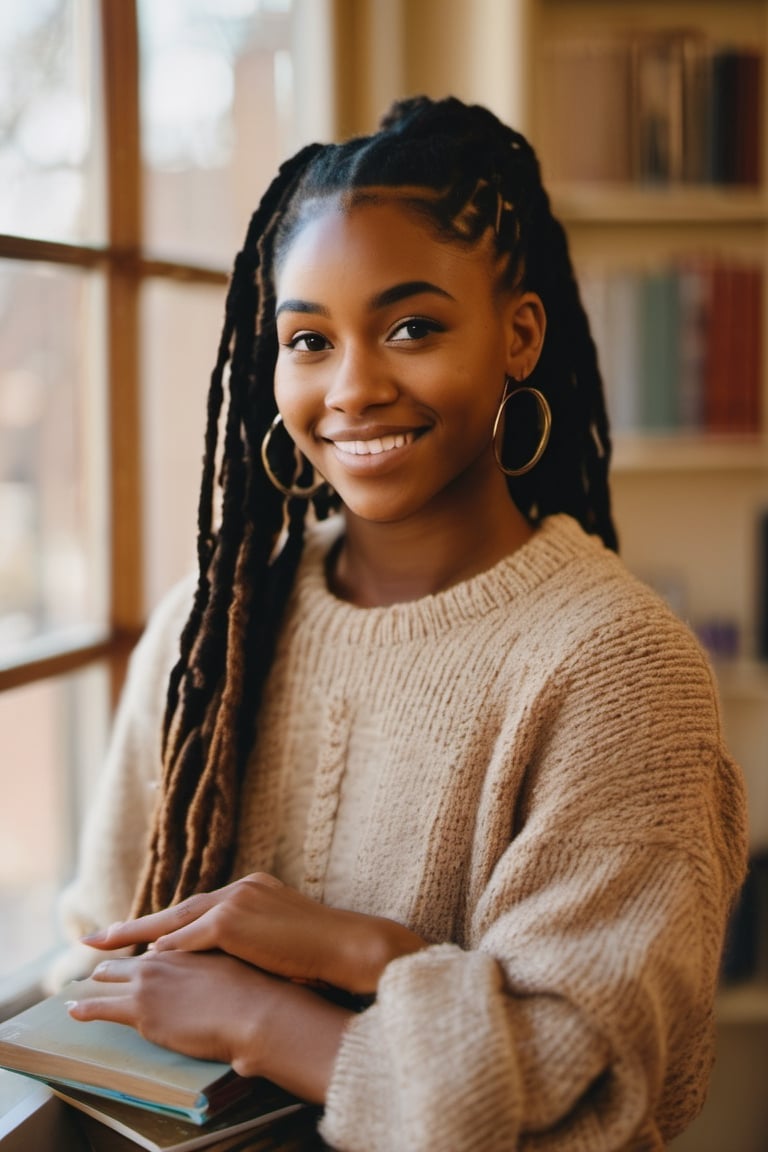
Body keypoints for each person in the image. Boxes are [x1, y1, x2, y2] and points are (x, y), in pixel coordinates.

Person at [55, 96, 747, 1151]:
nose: (355, 387)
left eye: (412, 327)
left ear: (519, 333)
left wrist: (280, 1003)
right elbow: (100, 966)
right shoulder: (211, 634)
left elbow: (581, 1091)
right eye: (308, 339)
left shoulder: (620, 666)